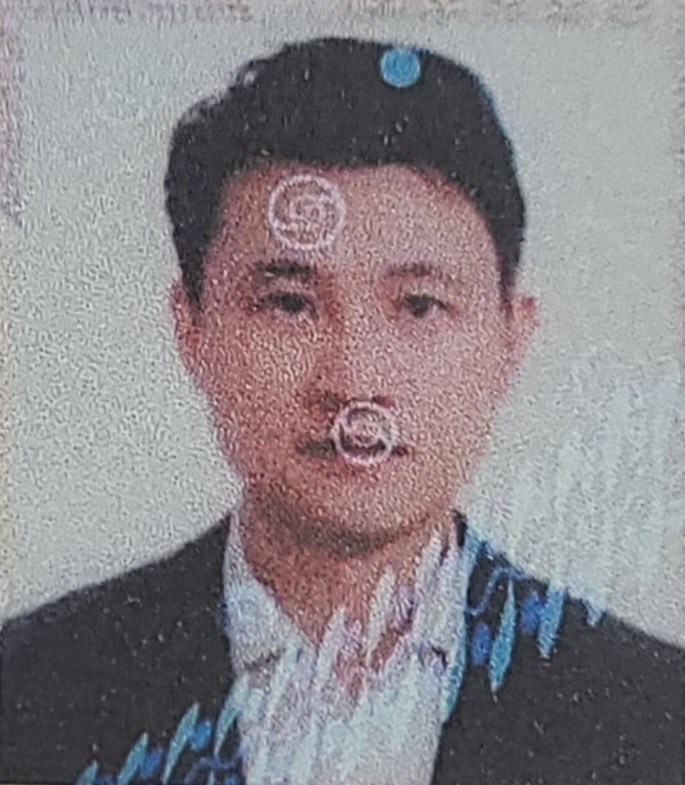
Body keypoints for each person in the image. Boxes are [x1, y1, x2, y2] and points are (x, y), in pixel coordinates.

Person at [1, 36, 682, 785]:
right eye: (289, 304)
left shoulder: (655, 714)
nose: (356, 380)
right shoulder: (27, 694)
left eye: (419, 305)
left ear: (510, 338)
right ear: (190, 328)